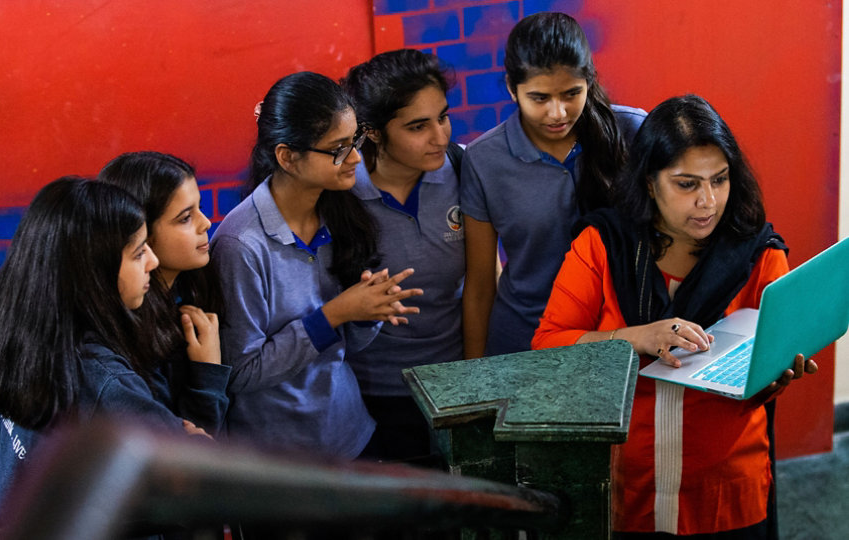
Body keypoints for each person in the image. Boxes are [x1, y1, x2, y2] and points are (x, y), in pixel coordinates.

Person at [532, 95, 818, 537]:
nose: (708, 201)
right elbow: (548, 347)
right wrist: (638, 337)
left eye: (719, 180)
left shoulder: (756, 253)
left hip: (725, 490)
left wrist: (777, 372)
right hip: (627, 483)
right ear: (650, 183)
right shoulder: (603, 243)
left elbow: (770, 363)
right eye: (687, 184)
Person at [211, 71, 423, 460]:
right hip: (280, 461)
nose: (356, 158)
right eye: (339, 148)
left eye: (355, 140)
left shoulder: (339, 212)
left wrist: (367, 311)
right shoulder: (240, 245)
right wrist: (333, 314)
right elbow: (240, 373)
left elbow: (345, 347)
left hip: (348, 432)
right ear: (287, 157)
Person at [0, 177, 223, 520]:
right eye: (138, 252)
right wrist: (205, 392)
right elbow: (201, 477)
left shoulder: (9, 326)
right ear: (95, 272)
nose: (153, 262)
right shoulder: (104, 381)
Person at [461, 12, 646, 358]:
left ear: (589, 80)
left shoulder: (632, 132)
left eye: (571, 93)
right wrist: (474, 375)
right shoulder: (484, 159)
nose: (557, 113)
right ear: (511, 90)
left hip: (622, 337)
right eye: (540, 98)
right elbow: (481, 284)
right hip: (524, 342)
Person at [341, 49, 464, 462]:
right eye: (417, 126)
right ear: (373, 132)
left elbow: (487, 276)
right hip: (376, 394)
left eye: (443, 117)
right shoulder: (341, 195)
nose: (440, 137)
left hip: (455, 380)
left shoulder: (462, 169)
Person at [98, 151, 230, 435]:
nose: (206, 223)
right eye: (185, 218)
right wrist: (208, 372)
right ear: (139, 229)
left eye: (200, 208)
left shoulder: (193, 287)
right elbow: (178, 452)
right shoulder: (123, 331)